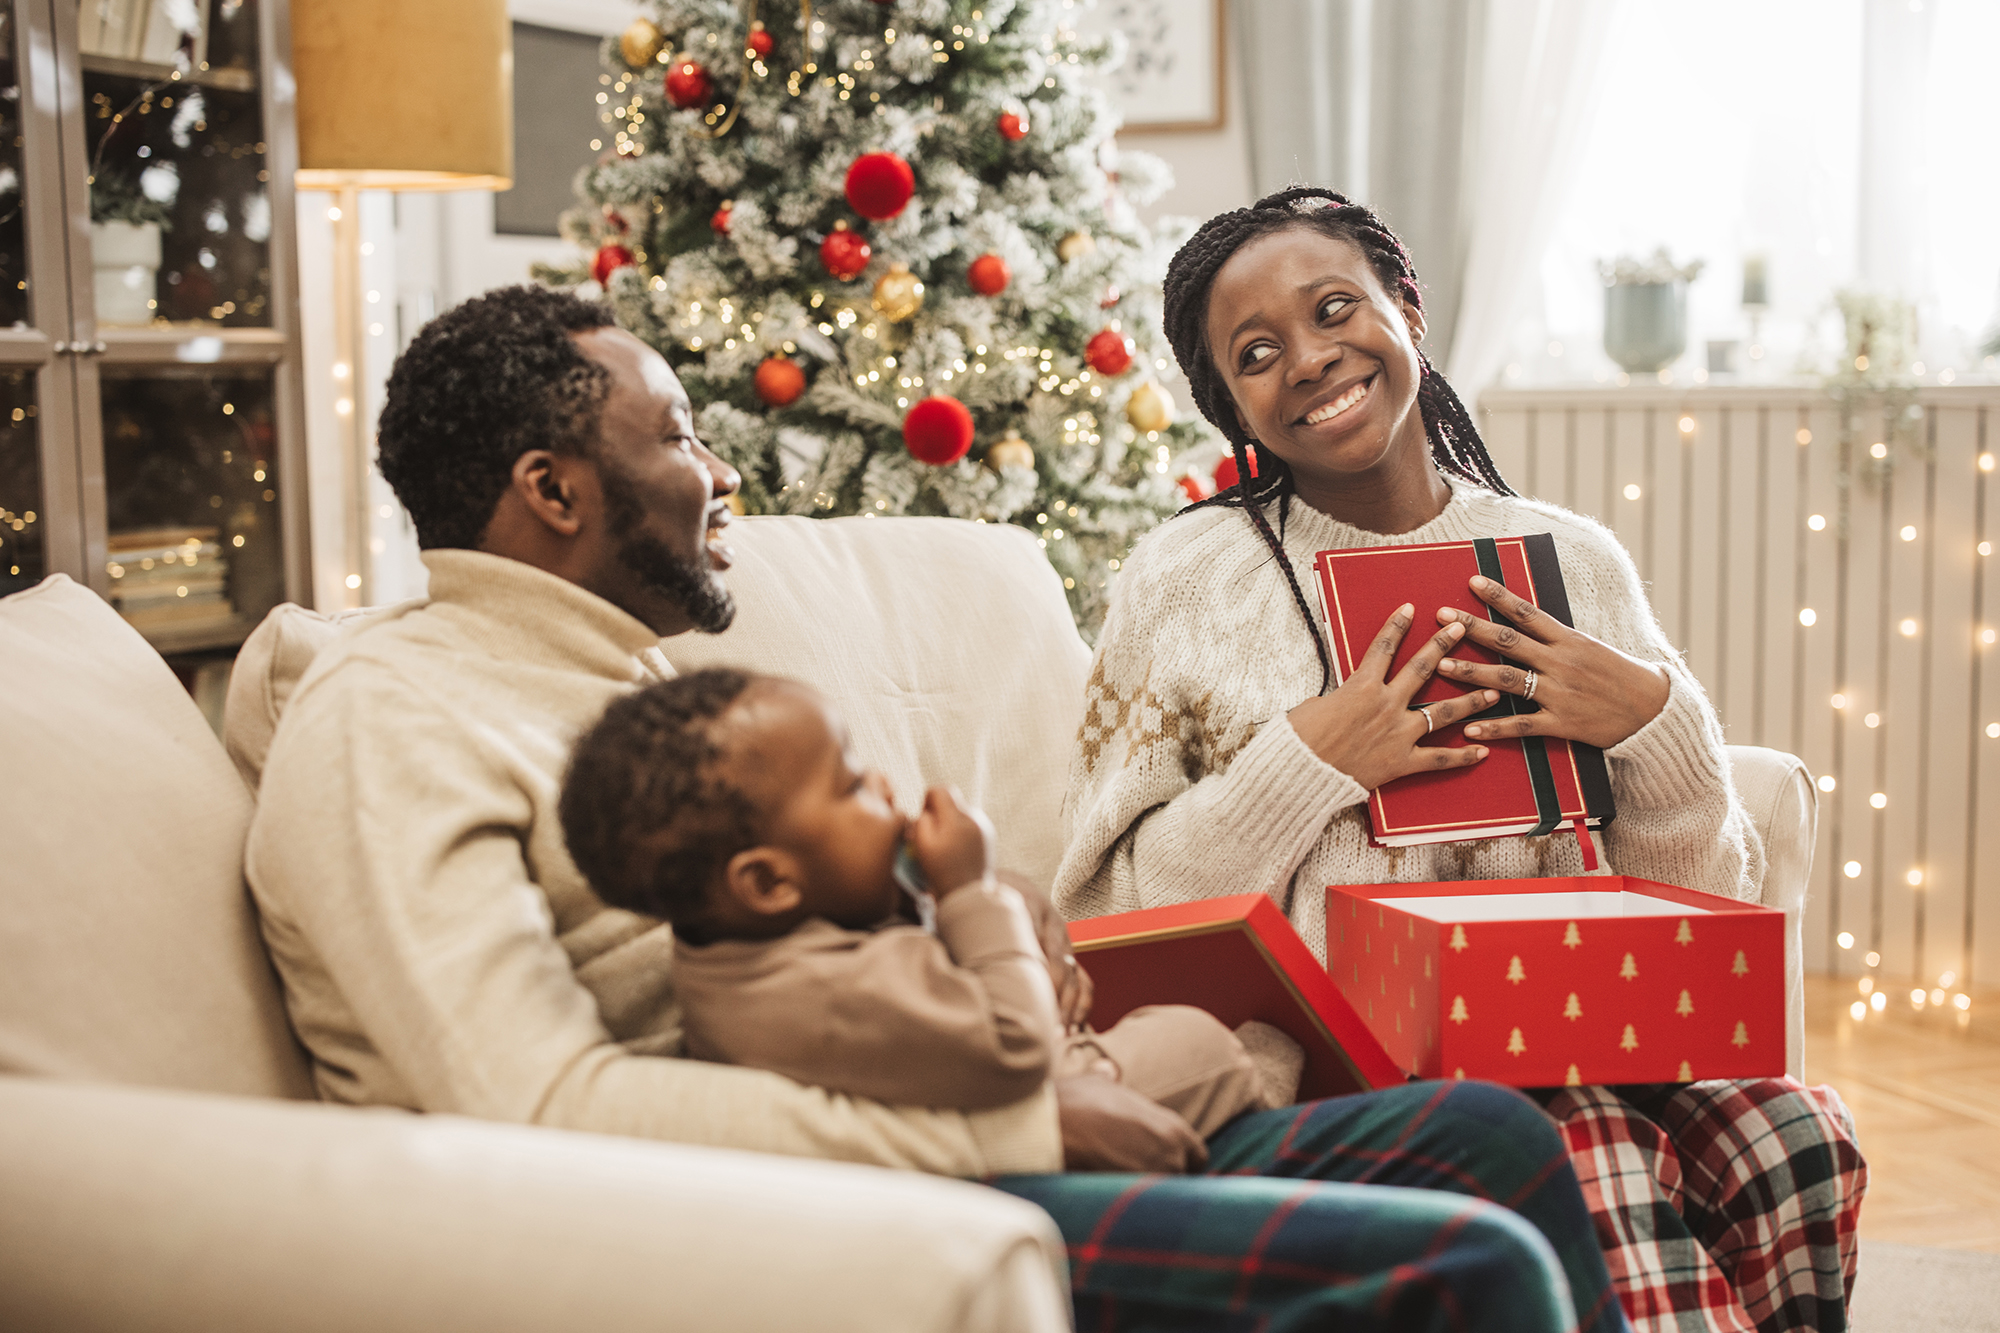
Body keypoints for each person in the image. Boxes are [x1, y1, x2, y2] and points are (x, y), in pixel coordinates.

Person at [247, 283, 1623, 1333]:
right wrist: (1015, 1127)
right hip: (788, 1226)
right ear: (550, 491)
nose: (718, 475)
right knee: (1463, 1263)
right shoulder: (395, 719)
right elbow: (538, 1106)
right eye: (674, 436)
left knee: (1485, 1139)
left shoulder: (632, 685)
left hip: (937, 1130)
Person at [1053, 186, 1868, 1333]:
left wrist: (1653, 727)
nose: (1308, 358)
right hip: (1329, 1076)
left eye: (1333, 308)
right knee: (1586, 1151)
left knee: (1795, 1136)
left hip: (1586, 1031)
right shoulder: (1183, 583)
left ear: (1408, 309)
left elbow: (1704, 902)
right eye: (1255, 353)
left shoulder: (1571, 560)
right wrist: (1305, 761)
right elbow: (1106, 909)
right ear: (1225, 403)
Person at [557, 667, 1294, 1135]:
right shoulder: (823, 993)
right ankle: (1262, 1099)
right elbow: (1016, 1042)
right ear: (769, 884)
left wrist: (984, 893)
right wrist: (969, 890)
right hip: (1048, 1104)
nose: (884, 786)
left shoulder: (752, 937)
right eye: (851, 785)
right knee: (1201, 1042)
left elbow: (940, 941)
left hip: (1018, 1073)